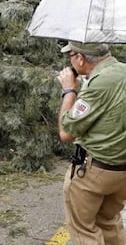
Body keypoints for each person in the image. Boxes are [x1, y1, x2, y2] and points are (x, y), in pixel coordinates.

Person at [57, 41, 126, 244]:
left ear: (80, 58)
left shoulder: (99, 85)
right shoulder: (122, 70)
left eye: (70, 56)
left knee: (83, 230)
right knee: (109, 222)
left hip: (94, 171)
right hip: (122, 171)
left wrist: (69, 91)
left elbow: (67, 132)